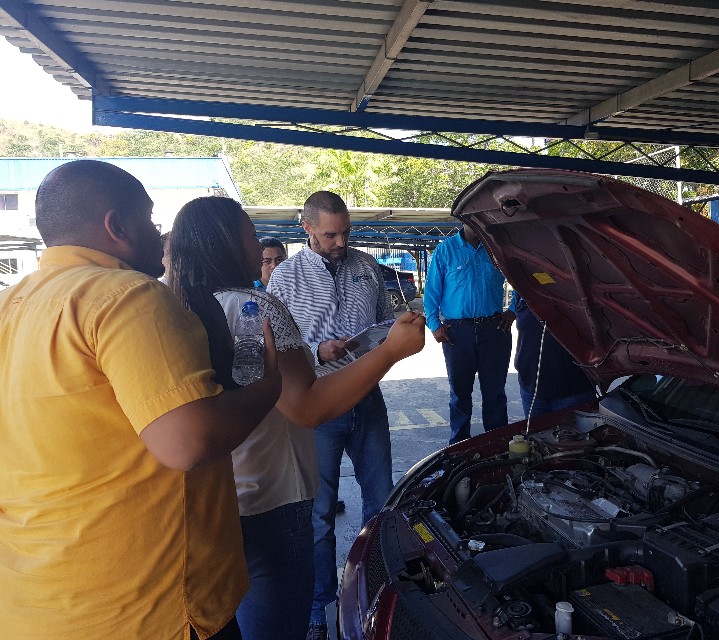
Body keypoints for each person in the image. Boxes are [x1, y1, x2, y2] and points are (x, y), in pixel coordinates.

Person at [0, 160, 283, 640]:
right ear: (117, 226)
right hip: (148, 606)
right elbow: (187, 442)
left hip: (34, 601)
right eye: (151, 220)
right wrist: (267, 387)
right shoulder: (127, 296)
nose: (160, 235)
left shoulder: (10, 306)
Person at [168, 196, 424, 640]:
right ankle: (322, 613)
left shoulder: (174, 306)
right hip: (273, 493)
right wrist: (390, 351)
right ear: (227, 244)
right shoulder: (257, 306)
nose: (261, 247)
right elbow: (305, 406)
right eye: (251, 236)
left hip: (218, 496)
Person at [266, 191, 396, 640]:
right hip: (318, 405)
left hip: (367, 400)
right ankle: (319, 608)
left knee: (382, 500)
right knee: (319, 515)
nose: (340, 241)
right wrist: (317, 349)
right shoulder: (285, 278)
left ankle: (379, 590)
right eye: (329, 234)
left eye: (345, 232)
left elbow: (383, 323)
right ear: (307, 228)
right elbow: (276, 345)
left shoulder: (366, 269)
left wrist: (384, 339)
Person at [423, 221, 516, 444]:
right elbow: (431, 292)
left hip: (494, 330)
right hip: (457, 333)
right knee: (460, 395)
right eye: (473, 218)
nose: (480, 223)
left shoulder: (498, 250)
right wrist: (435, 325)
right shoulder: (445, 250)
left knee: (494, 394)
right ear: (463, 219)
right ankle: (459, 446)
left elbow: (521, 282)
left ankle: (497, 445)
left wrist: (512, 311)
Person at [513, 293, 596, 417]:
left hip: (572, 390)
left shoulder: (579, 291)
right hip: (531, 387)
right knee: (535, 435)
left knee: (572, 434)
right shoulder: (525, 287)